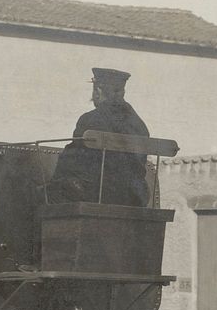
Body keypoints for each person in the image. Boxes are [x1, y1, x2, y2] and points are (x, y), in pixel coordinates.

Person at [48, 67, 155, 207]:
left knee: (38, 194)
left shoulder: (89, 119)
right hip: (135, 197)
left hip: (97, 196)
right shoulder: (139, 125)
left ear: (97, 91)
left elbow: (70, 160)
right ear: (123, 92)